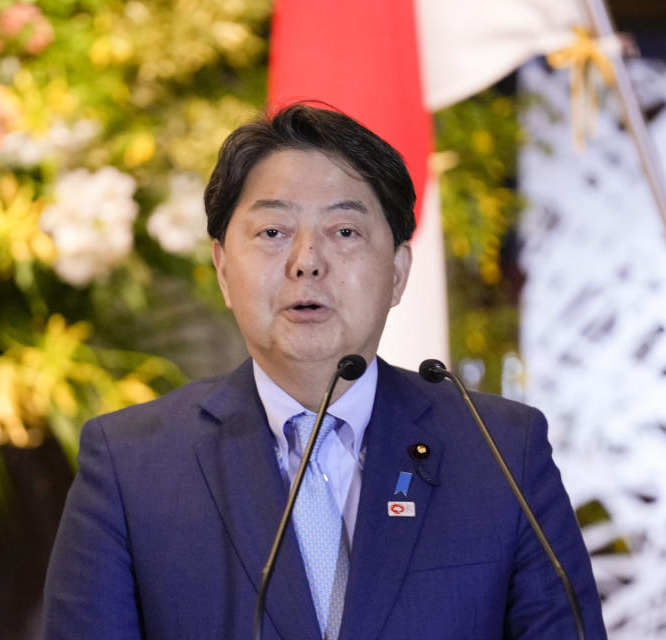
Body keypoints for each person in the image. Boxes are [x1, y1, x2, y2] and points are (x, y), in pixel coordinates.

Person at [42, 104, 606, 639]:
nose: (306, 260)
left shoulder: (502, 451)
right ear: (221, 268)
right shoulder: (130, 466)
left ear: (398, 273)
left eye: (344, 232)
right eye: (273, 233)